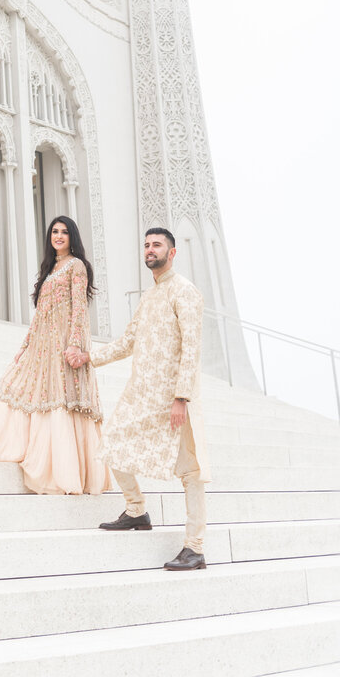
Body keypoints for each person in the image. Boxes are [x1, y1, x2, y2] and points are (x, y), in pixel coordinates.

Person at [67, 228, 210, 570]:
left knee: (191, 472)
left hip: (175, 399)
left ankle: (195, 548)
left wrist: (182, 397)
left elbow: (192, 347)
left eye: (156, 245)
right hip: (142, 394)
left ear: (172, 253)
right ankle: (136, 510)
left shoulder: (185, 292)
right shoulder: (150, 296)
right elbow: (128, 340)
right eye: (146, 245)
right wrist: (90, 358)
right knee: (113, 442)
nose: (149, 250)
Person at [0, 215, 111, 495]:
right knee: (23, 387)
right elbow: (39, 316)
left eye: (64, 232)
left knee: (61, 395)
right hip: (42, 344)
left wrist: (74, 344)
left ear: (72, 236)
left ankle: (67, 470)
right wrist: (25, 347)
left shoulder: (77, 266)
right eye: (54, 232)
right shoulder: (50, 269)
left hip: (64, 343)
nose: (59, 236)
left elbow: (79, 308)